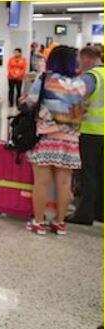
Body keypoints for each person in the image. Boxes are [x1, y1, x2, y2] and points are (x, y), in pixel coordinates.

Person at [23, 46, 88, 235]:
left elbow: (30, 103)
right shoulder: (80, 84)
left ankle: (39, 222)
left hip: (47, 137)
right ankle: (60, 223)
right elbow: (81, 109)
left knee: (42, 182)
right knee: (65, 183)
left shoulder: (45, 79)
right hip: (70, 140)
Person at [66, 46, 104, 225]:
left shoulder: (91, 76)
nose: (79, 65)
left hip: (91, 132)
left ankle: (84, 214)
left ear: (87, 59)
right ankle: (100, 212)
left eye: (80, 62)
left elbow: (73, 96)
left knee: (87, 174)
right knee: (101, 173)